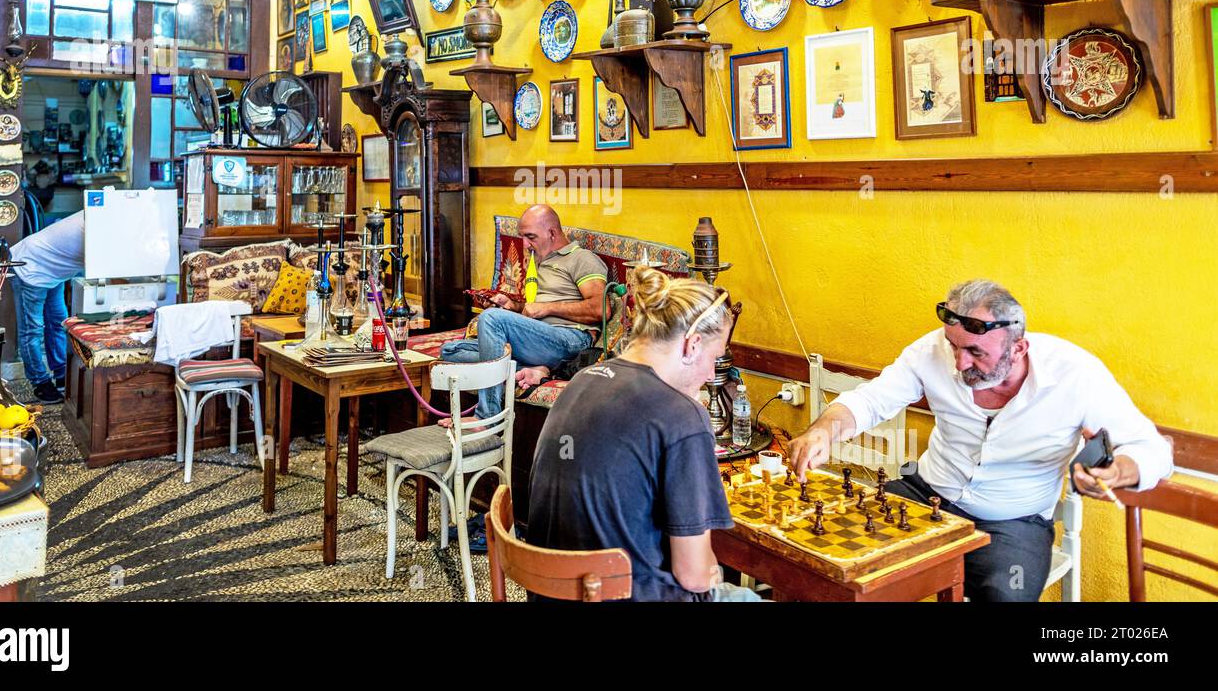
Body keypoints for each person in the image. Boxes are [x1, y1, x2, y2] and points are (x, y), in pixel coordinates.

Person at [788, 279, 1173, 602]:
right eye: (954, 346)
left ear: (1018, 348)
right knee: (834, 558)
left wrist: (1116, 472)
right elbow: (869, 401)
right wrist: (824, 428)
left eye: (975, 351)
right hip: (926, 496)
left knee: (1007, 595)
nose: (959, 363)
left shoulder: (1075, 374)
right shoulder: (929, 351)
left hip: (1013, 523)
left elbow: (1152, 451)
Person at [527, 266, 758, 602]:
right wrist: (714, 571)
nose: (711, 374)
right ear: (692, 344)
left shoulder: (582, 380)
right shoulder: (682, 415)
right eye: (715, 358)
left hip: (554, 594)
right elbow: (694, 577)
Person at [440, 204, 606, 419]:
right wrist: (511, 306)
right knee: (450, 351)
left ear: (552, 233)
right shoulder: (538, 260)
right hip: (537, 340)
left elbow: (599, 309)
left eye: (530, 237)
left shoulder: (581, 258)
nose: (525, 244)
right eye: (523, 237)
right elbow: (533, 308)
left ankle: (488, 416)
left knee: (492, 319)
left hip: (569, 339)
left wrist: (545, 308)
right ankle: (538, 368)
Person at [10, 210, 85, 404]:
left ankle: (61, 373)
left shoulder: (104, 216)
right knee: (32, 329)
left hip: (54, 271)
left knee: (59, 323)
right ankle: (40, 383)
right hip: (31, 266)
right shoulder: (98, 223)